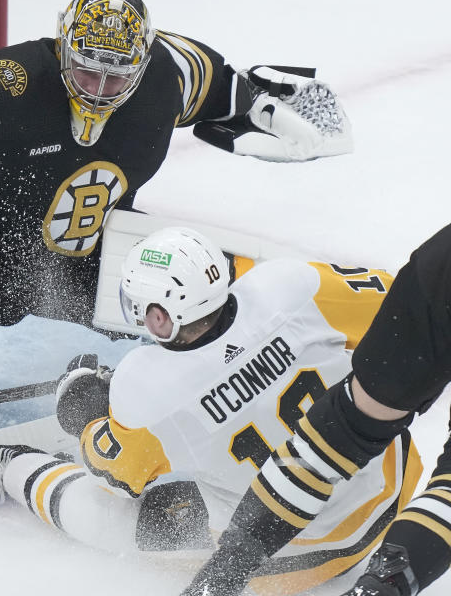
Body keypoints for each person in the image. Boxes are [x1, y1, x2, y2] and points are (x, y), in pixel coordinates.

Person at [0, 0, 353, 365]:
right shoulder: (9, 95)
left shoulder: (160, 77)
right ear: (64, 45)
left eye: (117, 78)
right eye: (87, 70)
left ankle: (322, 314)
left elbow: (210, 80)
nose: (99, 89)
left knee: (199, 309)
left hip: (74, 262)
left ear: (141, 62)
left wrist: (255, 103)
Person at [0, 226, 420, 596]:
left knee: (113, 514)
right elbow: (402, 306)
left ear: (160, 316)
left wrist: (87, 411)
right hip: (391, 498)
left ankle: (12, 469)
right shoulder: (290, 286)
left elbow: (116, 469)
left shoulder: (144, 388)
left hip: (284, 563)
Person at [179, 222, 451, 596]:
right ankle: (381, 585)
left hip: (440, 265)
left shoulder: (150, 386)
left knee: (346, 425)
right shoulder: (292, 286)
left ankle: (221, 577)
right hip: (381, 504)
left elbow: (346, 429)